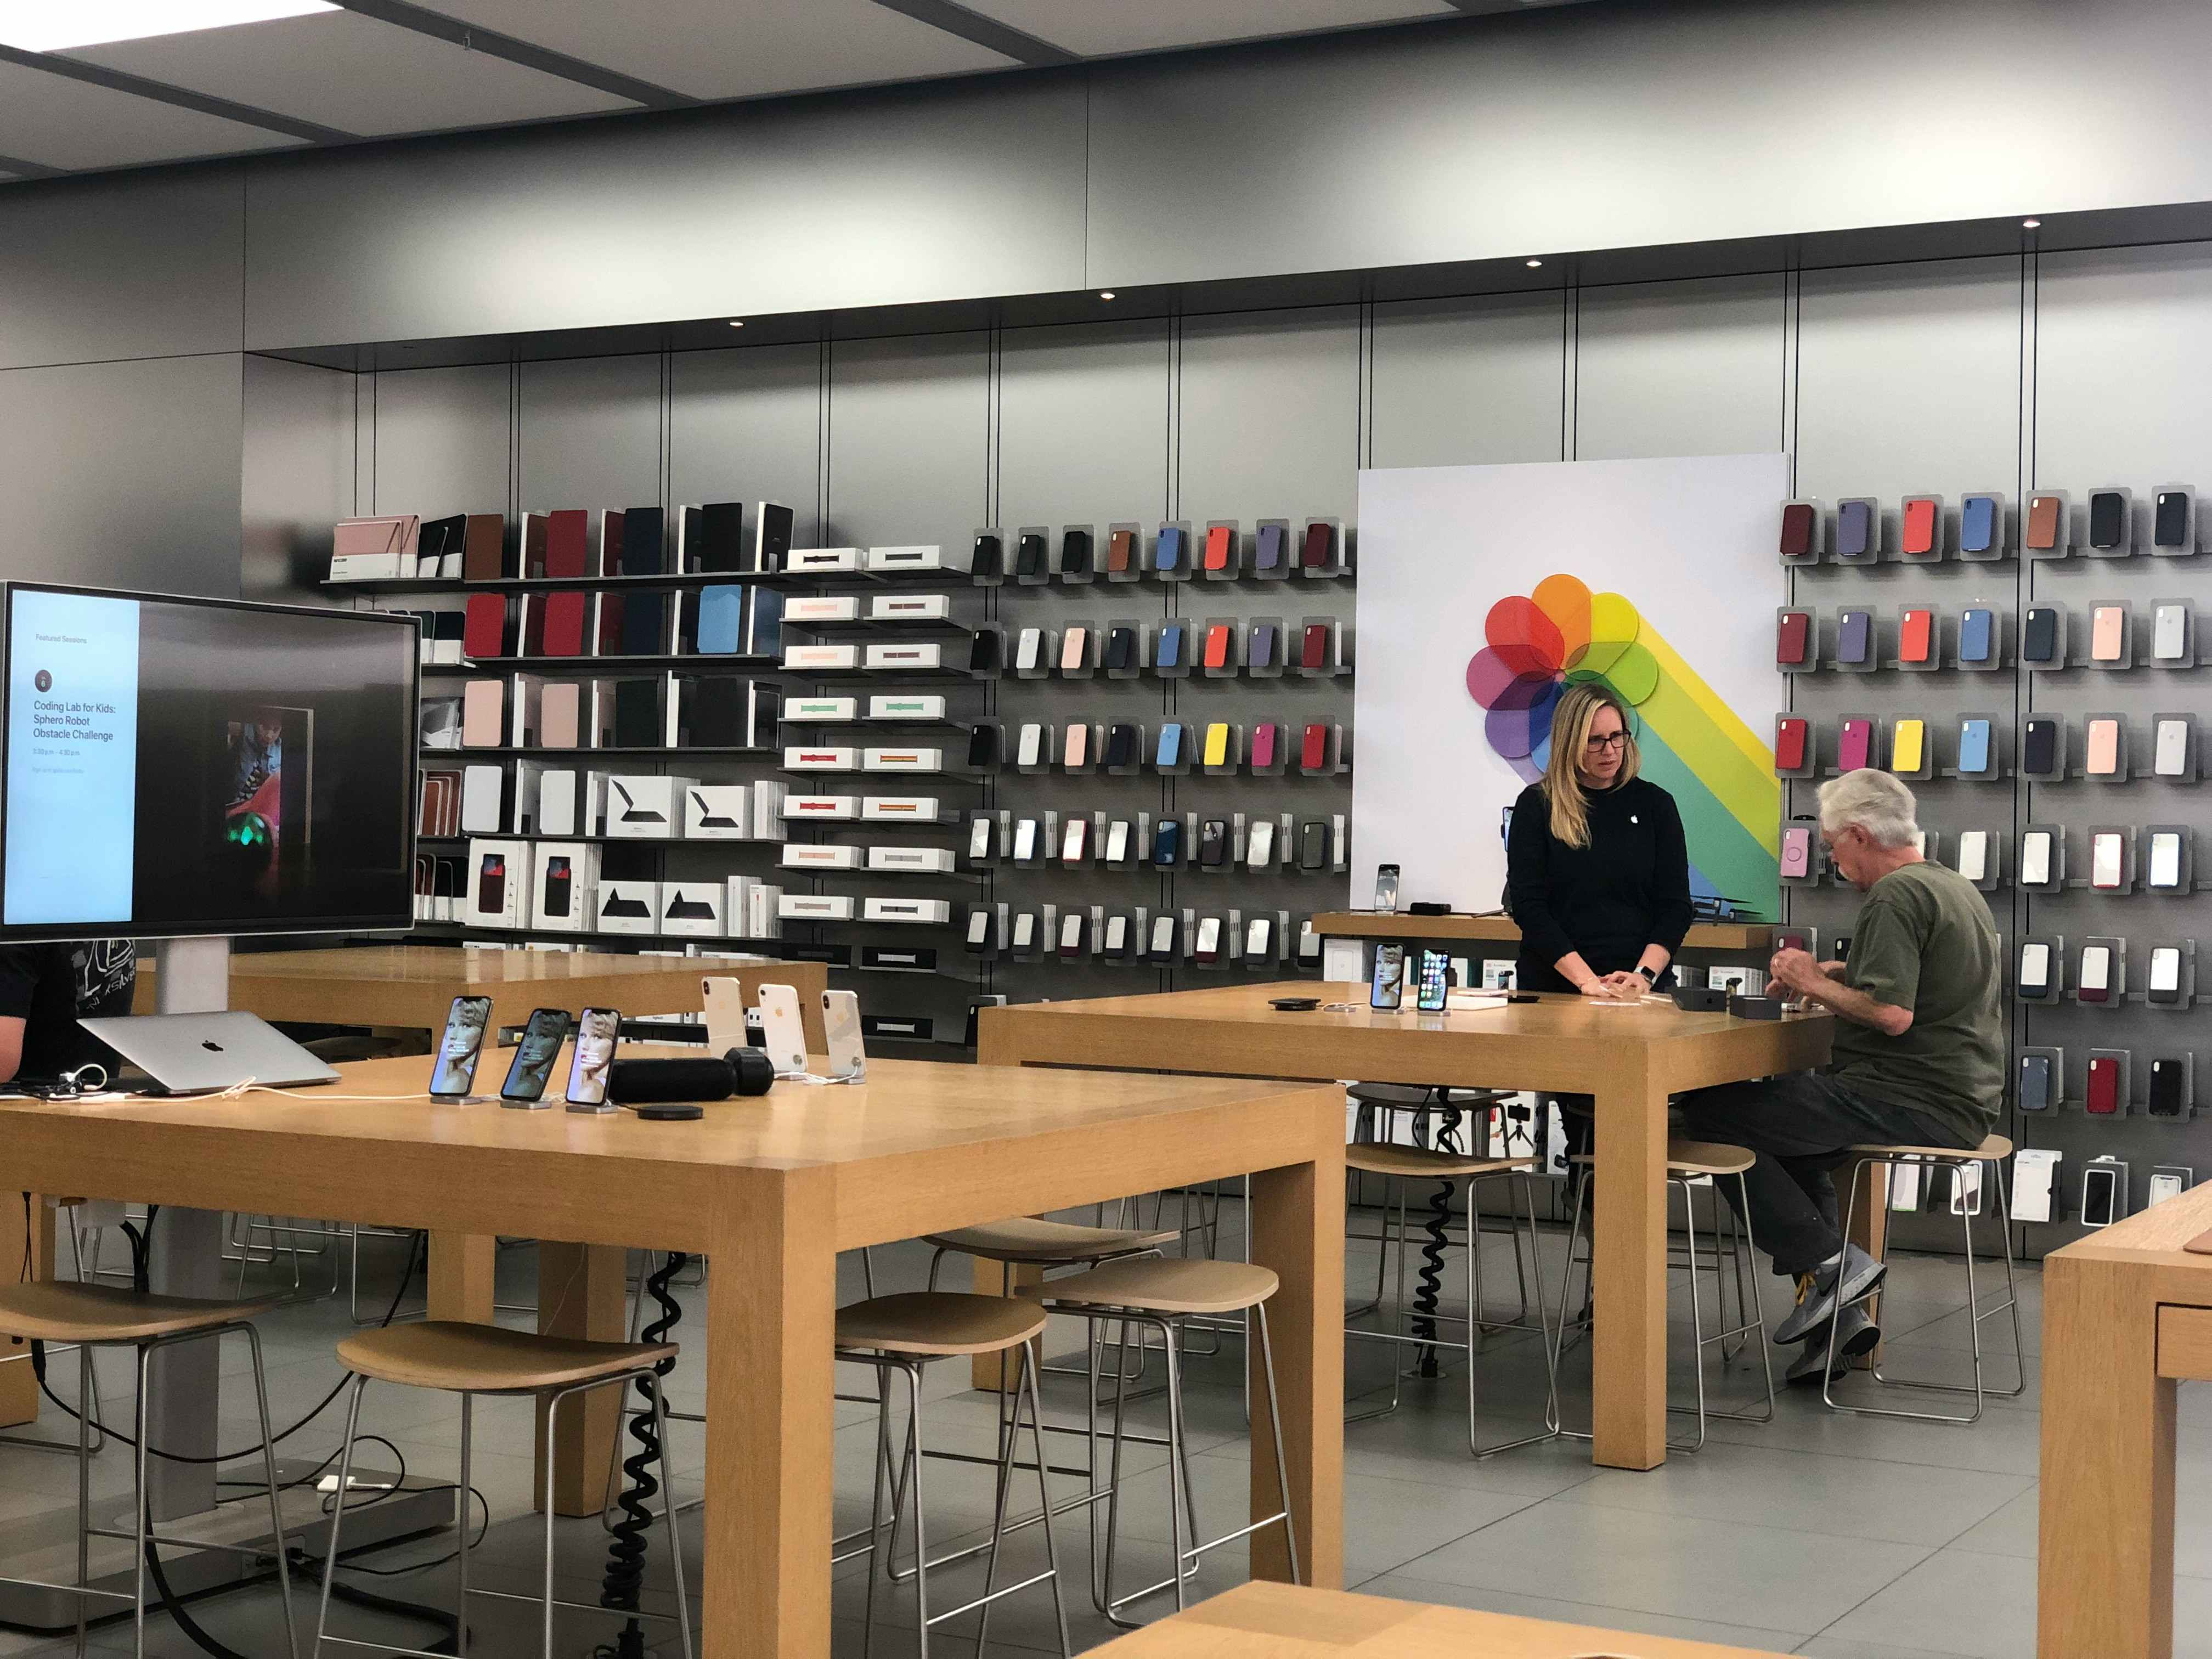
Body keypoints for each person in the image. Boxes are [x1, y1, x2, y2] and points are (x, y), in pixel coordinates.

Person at [1678, 769, 2002, 1384]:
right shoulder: (1950, 886)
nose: (1830, 859)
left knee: (1713, 1115)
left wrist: (1812, 982)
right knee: (1791, 1145)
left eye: (1831, 845)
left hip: (1911, 1097)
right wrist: (1841, 975)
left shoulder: (1894, 896)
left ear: (1858, 834)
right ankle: (1838, 1318)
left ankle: (1833, 1263)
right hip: (1960, 1097)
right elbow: (1918, 988)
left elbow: (1892, 1015)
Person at [1505, 681, 1694, 1001]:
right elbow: (1529, 907)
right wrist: (1586, 981)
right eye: (1594, 741)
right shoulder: (1537, 806)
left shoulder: (1656, 805)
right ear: (1570, 742)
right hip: (1556, 989)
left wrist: (1644, 975)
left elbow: (1675, 905)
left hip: (1640, 987)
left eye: (1617, 737)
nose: (1609, 750)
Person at [0, 939, 137, 1085]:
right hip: (99, 1095)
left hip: (38, 1099)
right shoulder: (115, 918)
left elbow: (3, 1063)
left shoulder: (13, 933)